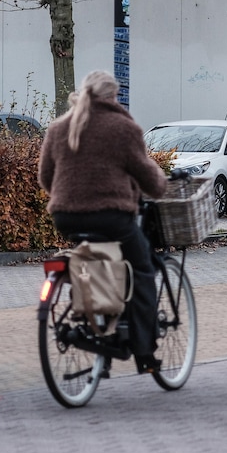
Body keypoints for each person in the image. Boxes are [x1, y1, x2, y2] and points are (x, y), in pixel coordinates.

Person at [39, 70, 170, 373]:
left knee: (93, 259)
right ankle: (144, 351)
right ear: (113, 96)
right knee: (142, 270)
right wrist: (161, 185)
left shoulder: (58, 127)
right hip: (112, 217)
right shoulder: (123, 128)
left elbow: (46, 178)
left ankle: (96, 323)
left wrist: (69, 198)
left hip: (65, 217)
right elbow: (148, 178)